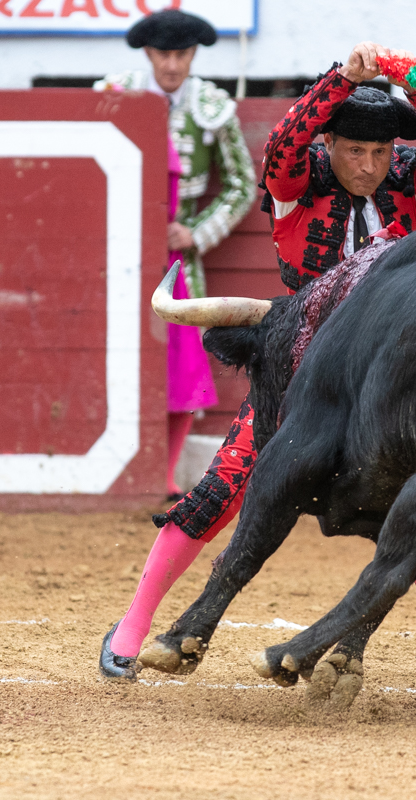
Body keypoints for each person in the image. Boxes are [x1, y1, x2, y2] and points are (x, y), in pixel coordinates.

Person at [100, 41, 416, 683]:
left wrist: (405, 80)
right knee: (222, 486)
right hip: (304, 366)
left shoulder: (405, 181)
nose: (367, 166)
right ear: (329, 143)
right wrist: (341, 78)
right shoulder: (295, 180)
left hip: (388, 373)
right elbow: (282, 143)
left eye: (381, 152)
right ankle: (135, 623)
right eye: (354, 150)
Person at [95, 11, 256, 497]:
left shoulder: (210, 107)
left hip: (174, 256)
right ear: (148, 54)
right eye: (164, 54)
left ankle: (164, 476)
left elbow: (243, 184)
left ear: (193, 55)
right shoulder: (116, 95)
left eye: (182, 54)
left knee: (180, 362)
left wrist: (196, 232)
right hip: (117, 245)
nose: (172, 64)